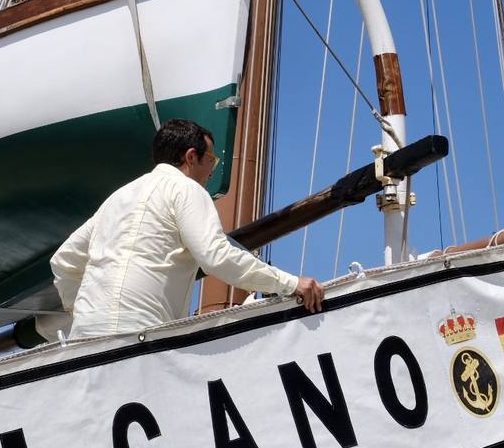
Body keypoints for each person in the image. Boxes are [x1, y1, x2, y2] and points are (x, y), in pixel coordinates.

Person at [51, 118, 325, 339]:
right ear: (192, 157)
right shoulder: (186, 189)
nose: (210, 172)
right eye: (212, 162)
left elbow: (63, 261)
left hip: (83, 339)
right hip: (140, 334)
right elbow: (215, 255)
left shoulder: (116, 199)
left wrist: (85, 312)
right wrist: (290, 284)